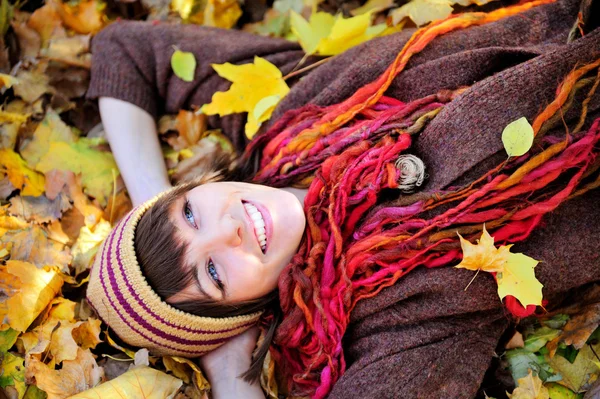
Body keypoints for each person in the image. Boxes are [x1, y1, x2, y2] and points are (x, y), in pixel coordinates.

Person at [85, 0, 600, 397]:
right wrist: (230, 373)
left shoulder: (291, 121)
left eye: (192, 212)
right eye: (214, 275)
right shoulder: (392, 315)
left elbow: (125, 49)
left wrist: (152, 203)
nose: (228, 229)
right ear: (239, 317)